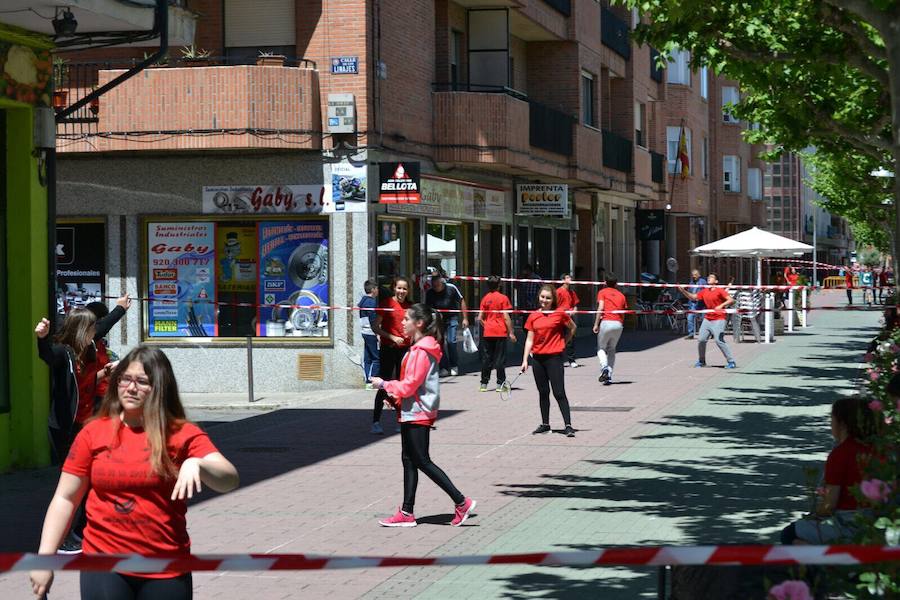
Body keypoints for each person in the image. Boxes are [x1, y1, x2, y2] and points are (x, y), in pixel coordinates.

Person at [28, 345, 240, 600]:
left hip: (166, 568)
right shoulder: (93, 433)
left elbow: (229, 479)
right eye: (125, 379)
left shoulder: (180, 433)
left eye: (141, 381)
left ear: (159, 386)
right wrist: (45, 556)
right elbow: (65, 498)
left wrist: (199, 464)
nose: (130, 387)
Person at [34, 295, 131, 554]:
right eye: (91, 328)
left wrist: (121, 308)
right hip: (66, 430)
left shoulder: (87, 352)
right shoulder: (62, 353)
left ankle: (81, 531)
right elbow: (45, 355)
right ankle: (67, 536)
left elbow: (83, 383)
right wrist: (41, 337)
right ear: (80, 331)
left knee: (92, 479)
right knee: (75, 485)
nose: (96, 332)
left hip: (84, 426)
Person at [371, 304, 476, 528]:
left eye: (407, 319)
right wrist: (395, 399)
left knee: (421, 460)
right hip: (414, 410)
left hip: (419, 413)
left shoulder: (421, 351)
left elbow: (410, 385)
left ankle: (461, 502)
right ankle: (407, 512)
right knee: (409, 460)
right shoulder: (419, 348)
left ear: (418, 323)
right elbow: (413, 387)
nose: (402, 322)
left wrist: (384, 384)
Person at [780, 396, 876, 545]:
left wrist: (812, 515)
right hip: (876, 518)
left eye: (832, 420)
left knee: (789, 533)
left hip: (848, 522)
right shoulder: (877, 448)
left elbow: (829, 504)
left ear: (842, 424)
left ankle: (818, 566)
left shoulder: (841, 454)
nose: (831, 425)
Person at [521, 285, 577, 438]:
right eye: (542, 297)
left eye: (548, 298)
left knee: (559, 392)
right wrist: (525, 359)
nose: (544, 300)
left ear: (553, 300)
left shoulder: (559, 314)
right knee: (543, 392)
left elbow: (573, 328)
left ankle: (568, 425)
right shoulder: (533, 316)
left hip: (554, 358)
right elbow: (529, 339)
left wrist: (563, 343)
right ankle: (545, 424)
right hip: (538, 359)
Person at [370, 276, 412, 434]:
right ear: (394, 288)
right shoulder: (387, 304)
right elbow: (375, 327)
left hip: (405, 350)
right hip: (388, 349)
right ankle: (375, 422)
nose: (402, 291)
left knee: (403, 385)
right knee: (383, 383)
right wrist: (392, 337)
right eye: (399, 288)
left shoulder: (410, 306)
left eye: (405, 289)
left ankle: (401, 420)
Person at [678, 273, 737, 369]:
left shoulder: (720, 290)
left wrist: (721, 306)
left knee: (719, 340)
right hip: (707, 319)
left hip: (719, 318)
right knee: (701, 340)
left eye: (712, 277)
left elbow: (731, 300)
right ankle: (702, 361)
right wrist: (683, 290)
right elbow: (693, 297)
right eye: (708, 277)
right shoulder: (704, 291)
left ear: (716, 281)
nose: (709, 278)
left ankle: (731, 361)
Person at [425, 272, 469, 377]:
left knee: (451, 341)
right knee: (439, 343)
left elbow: (462, 301)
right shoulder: (430, 293)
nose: (436, 287)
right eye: (434, 285)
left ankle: (454, 365)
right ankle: (443, 367)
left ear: (441, 281)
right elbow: (427, 308)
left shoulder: (451, 288)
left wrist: (465, 318)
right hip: (438, 320)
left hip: (452, 318)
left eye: (438, 285)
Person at [477, 275, 516, 392]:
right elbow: (506, 317)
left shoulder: (485, 298)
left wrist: (487, 325)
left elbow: (480, 318)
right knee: (500, 359)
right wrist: (511, 333)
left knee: (486, 358)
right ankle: (500, 384)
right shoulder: (503, 298)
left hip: (488, 332)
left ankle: (484, 384)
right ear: (499, 285)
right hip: (500, 332)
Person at [593, 275, 627, 386]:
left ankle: (604, 368)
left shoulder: (602, 292)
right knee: (612, 349)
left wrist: (596, 324)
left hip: (606, 322)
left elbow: (601, 308)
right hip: (618, 324)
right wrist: (621, 324)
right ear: (616, 284)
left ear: (605, 282)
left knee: (601, 348)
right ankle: (609, 376)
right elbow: (623, 312)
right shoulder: (621, 295)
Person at [358, 279, 380, 390]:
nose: (378, 291)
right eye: (376, 288)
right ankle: (371, 380)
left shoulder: (363, 301)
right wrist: (377, 333)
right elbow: (373, 319)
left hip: (364, 331)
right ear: (373, 289)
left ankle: (368, 381)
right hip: (371, 332)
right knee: (376, 358)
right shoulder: (371, 302)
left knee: (368, 358)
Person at [556, 273, 581, 368]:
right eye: (567, 277)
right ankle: (559, 359)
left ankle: (572, 359)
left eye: (570, 277)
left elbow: (575, 304)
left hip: (569, 318)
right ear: (563, 280)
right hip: (560, 317)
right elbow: (555, 305)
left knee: (570, 338)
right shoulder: (558, 292)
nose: (570, 279)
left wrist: (574, 310)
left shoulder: (572, 292)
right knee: (559, 337)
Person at [684, 270, 707, 340]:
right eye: (693, 275)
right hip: (693, 303)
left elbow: (706, 291)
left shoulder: (703, 282)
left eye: (695, 275)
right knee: (690, 318)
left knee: (704, 319)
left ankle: (708, 333)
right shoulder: (691, 282)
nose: (694, 276)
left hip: (701, 303)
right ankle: (691, 334)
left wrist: (700, 297)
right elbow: (689, 292)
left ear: (699, 275)